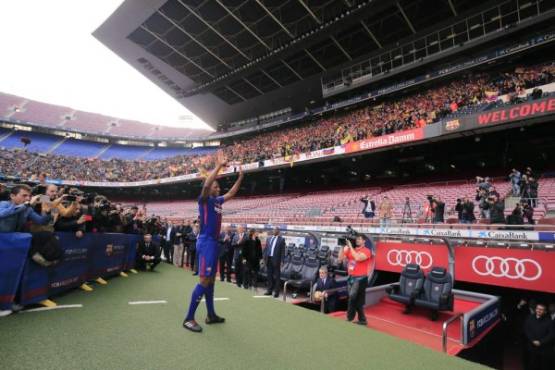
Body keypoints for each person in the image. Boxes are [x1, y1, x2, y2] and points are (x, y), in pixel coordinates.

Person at [183, 152, 244, 333]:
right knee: (204, 280)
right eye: (215, 186)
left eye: (218, 187)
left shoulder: (217, 201)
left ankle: (211, 314)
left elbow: (232, 193)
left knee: (211, 281)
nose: (218, 188)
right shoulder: (204, 200)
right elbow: (208, 183)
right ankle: (188, 318)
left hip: (213, 243)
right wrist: (218, 167)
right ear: (209, 188)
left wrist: (240, 177)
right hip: (206, 242)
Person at [338, 235, 372, 325]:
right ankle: (362, 319)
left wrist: (351, 247)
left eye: (359, 239)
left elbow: (357, 258)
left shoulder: (367, 251)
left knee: (352, 297)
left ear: (364, 241)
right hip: (351, 278)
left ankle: (349, 317)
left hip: (360, 278)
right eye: (357, 239)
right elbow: (340, 259)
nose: (357, 240)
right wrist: (342, 247)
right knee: (356, 300)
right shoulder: (350, 249)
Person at [523, 303, 554, 370]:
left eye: (541, 309)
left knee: (542, 366)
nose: (538, 310)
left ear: (545, 312)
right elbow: (526, 329)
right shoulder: (530, 317)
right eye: (537, 309)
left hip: (544, 349)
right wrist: (532, 340)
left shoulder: (549, 321)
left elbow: (551, 334)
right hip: (531, 346)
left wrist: (540, 342)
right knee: (531, 364)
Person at [263, 227, 286, 298]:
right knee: (269, 276)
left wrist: (282, 261)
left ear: (278, 231)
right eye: (274, 230)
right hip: (268, 259)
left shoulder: (281, 239)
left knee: (277, 277)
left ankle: (276, 292)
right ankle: (269, 290)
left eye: (276, 230)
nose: (275, 231)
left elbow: (283, 251)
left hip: (276, 260)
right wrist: (264, 258)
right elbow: (266, 249)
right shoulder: (269, 238)